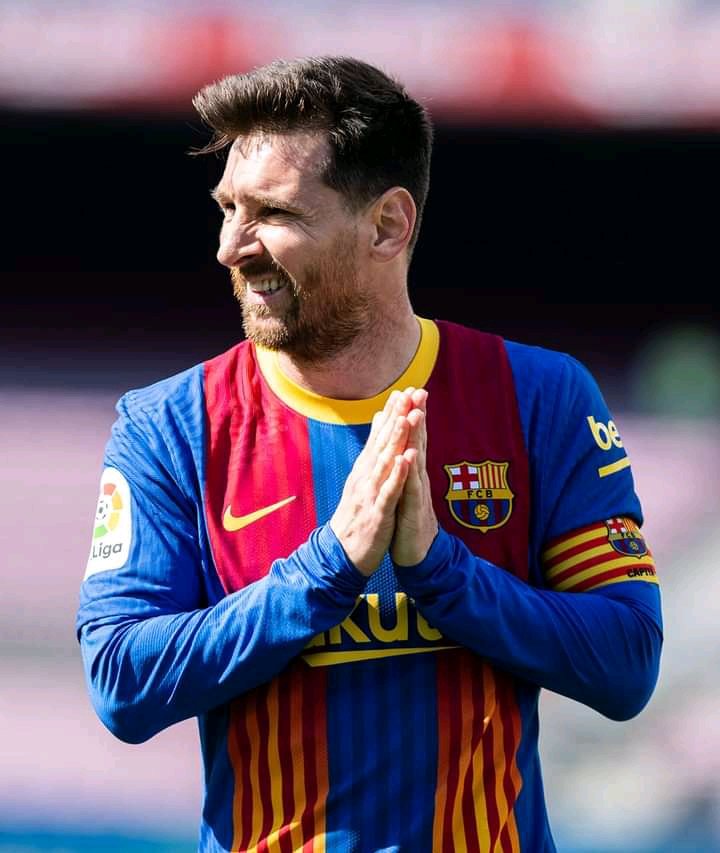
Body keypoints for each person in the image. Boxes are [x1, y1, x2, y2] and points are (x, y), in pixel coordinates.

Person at [76, 56, 663, 852]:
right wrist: (326, 570)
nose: (230, 247)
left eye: (272, 212)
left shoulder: (540, 397)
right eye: (228, 208)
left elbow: (628, 662)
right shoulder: (171, 425)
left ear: (388, 224)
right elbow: (121, 679)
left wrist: (441, 572)